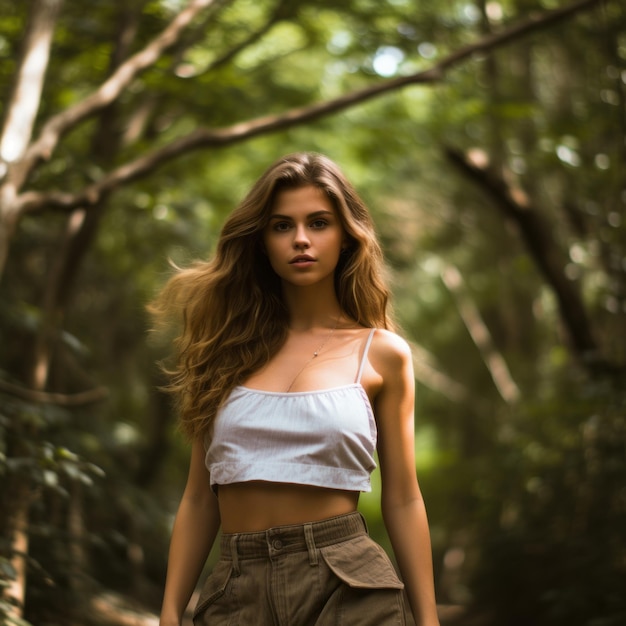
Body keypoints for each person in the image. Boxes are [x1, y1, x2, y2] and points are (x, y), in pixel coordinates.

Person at [152, 152, 440, 626]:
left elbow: (404, 497)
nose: (301, 239)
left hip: (348, 583)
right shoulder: (222, 352)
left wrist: (428, 621)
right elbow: (200, 498)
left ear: (347, 236)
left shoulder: (383, 354)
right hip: (236, 589)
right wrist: (169, 612)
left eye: (319, 223)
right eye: (282, 226)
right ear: (261, 241)